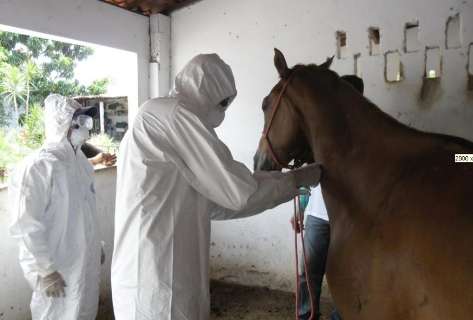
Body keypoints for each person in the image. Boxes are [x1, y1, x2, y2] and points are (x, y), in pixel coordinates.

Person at [111, 53, 322, 320]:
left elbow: (217, 204)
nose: (222, 110)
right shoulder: (173, 114)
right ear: (205, 89)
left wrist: (285, 187)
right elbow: (239, 193)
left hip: (170, 273)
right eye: (222, 102)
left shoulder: (171, 120)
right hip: (152, 276)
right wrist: (296, 179)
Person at [9, 94, 107, 320]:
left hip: (83, 265)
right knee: (55, 315)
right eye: (80, 122)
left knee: (84, 312)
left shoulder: (81, 164)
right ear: (63, 125)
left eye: (86, 122)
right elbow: (25, 226)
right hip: (58, 271)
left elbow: (85, 212)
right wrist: (44, 270)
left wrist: (95, 243)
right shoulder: (37, 168)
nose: (86, 128)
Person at [291, 186, 342, 320]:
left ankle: (341, 316)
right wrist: (300, 208)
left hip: (350, 217)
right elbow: (309, 179)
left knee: (346, 273)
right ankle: (306, 315)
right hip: (317, 216)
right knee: (308, 270)